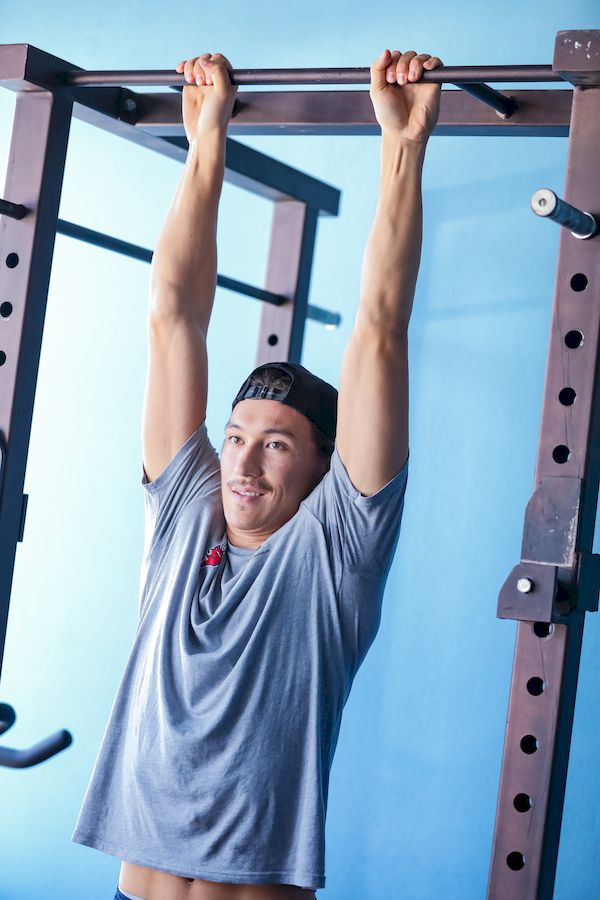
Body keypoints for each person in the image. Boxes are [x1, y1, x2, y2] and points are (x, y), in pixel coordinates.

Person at [71, 46, 442, 900]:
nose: (240, 460)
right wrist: (207, 139)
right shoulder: (186, 510)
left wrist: (403, 146)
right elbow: (172, 317)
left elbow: (380, 329)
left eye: (275, 445)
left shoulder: (336, 548)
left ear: (325, 467)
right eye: (236, 436)